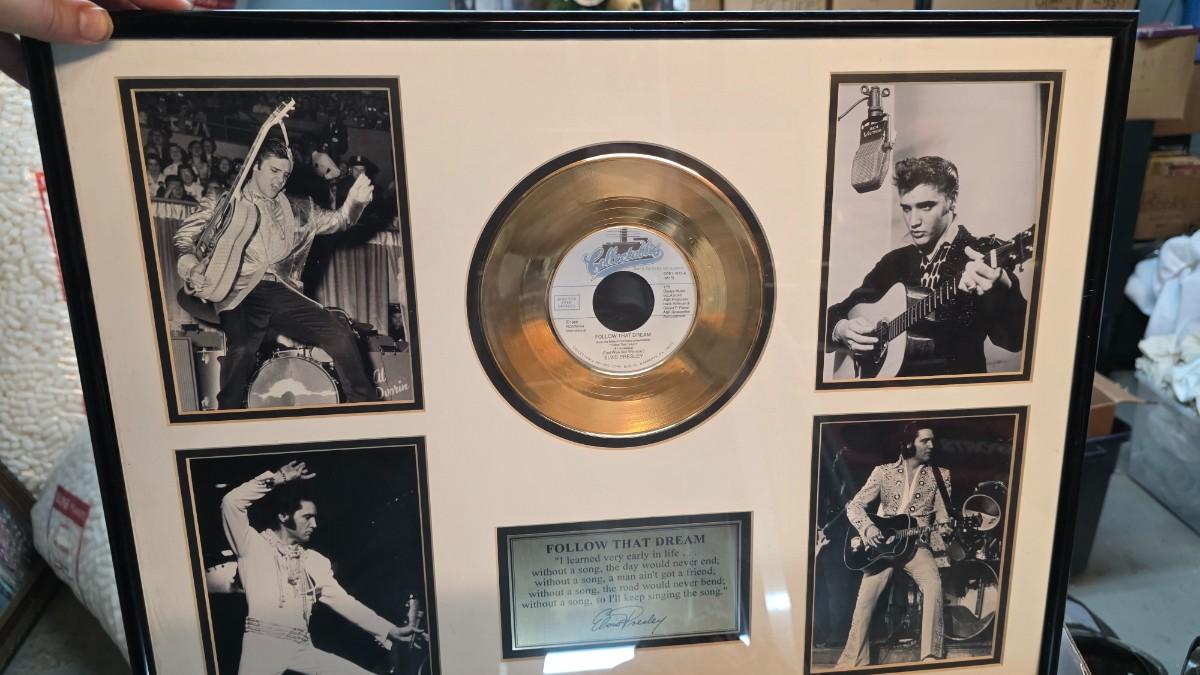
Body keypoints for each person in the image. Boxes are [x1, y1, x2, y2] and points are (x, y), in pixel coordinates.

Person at [173, 135, 378, 409]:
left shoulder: (300, 208)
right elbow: (184, 238)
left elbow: (340, 220)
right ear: (255, 166)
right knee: (242, 349)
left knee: (340, 334)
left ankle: (363, 407)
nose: (280, 180)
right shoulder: (222, 201)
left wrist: (355, 203)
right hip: (239, 291)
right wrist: (190, 267)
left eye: (285, 174)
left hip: (282, 290)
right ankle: (227, 415)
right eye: (274, 170)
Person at [826, 156, 1028, 378]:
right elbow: (835, 314)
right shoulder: (893, 263)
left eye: (926, 206)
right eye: (906, 209)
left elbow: (1015, 340)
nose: (913, 221)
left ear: (951, 200)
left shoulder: (981, 254)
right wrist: (841, 329)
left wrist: (1001, 285)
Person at [221, 460, 420, 675]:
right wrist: (278, 478)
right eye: (307, 517)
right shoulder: (252, 546)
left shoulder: (314, 561)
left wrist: (389, 630)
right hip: (262, 646)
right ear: (283, 515)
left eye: (315, 518)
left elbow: (345, 603)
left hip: (302, 648)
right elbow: (231, 502)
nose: (314, 525)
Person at [837, 425, 952, 668]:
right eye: (925, 441)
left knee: (933, 586)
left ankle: (930, 657)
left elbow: (943, 517)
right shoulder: (883, 472)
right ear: (909, 443)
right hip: (882, 548)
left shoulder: (941, 475)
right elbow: (854, 506)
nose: (931, 445)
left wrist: (946, 529)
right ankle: (853, 662)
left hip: (917, 546)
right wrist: (868, 529)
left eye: (932, 440)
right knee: (865, 600)